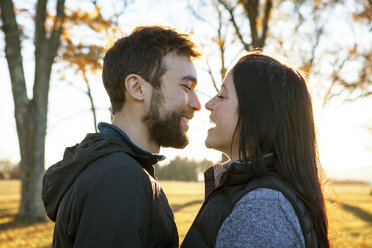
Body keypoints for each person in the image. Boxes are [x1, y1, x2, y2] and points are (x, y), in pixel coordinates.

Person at [42, 26, 201, 248]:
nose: (197, 104)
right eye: (186, 87)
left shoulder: (117, 168)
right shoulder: (119, 178)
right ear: (137, 87)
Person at [181, 52, 330, 248]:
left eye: (223, 95)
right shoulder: (260, 197)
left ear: (259, 114)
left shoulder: (262, 209)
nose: (208, 104)